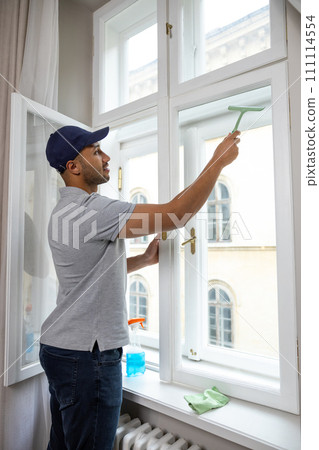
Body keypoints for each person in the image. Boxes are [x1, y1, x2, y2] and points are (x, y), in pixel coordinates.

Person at [40, 125, 240, 449]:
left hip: (59, 351)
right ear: (73, 167)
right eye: (96, 151)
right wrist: (217, 161)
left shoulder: (62, 213)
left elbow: (88, 276)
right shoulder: (94, 210)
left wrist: (143, 261)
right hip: (87, 359)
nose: (106, 157)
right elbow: (175, 215)